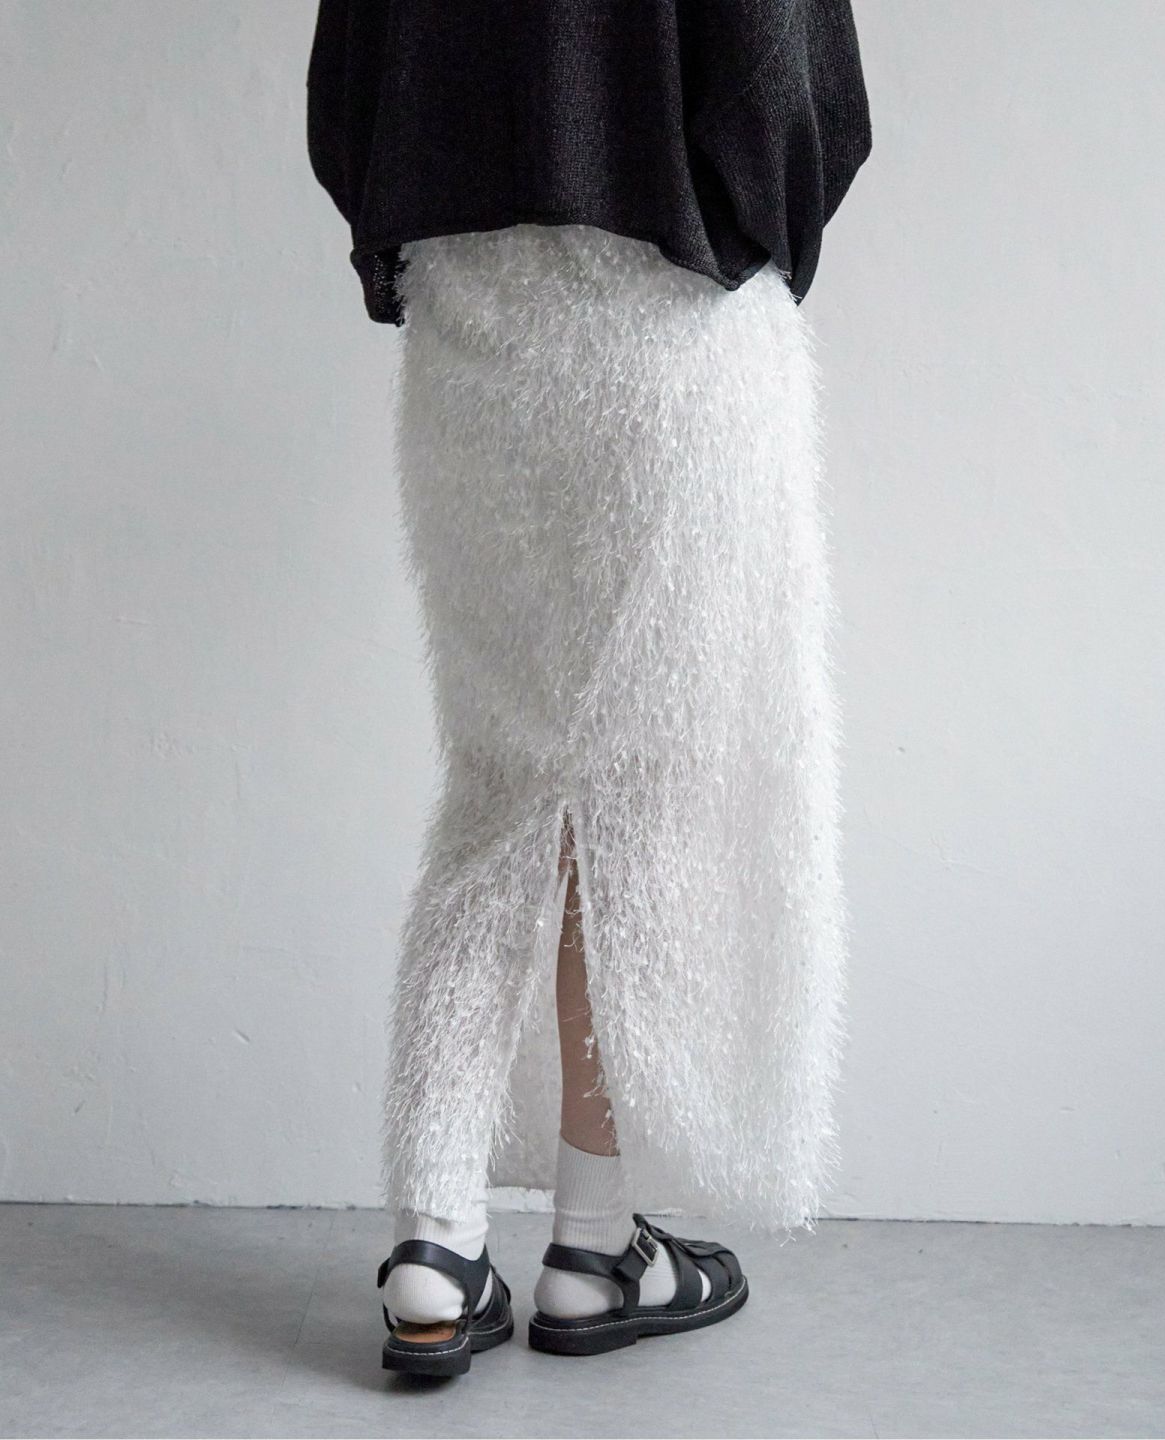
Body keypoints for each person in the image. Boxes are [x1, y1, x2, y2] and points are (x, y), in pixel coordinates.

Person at [307, 0, 872, 1377]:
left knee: (501, 781)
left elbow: (348, 83)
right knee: (645, 795)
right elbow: (779, 70)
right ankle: (593, 1242)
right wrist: (753, 223)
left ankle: (435, 1244)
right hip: (664, 316)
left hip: (474, 323)